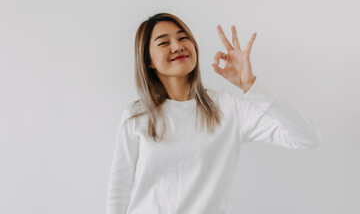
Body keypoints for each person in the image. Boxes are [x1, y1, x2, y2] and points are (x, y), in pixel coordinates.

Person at [105, 13, 321, 214]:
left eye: (183, 38)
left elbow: (306, 137)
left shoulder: (228, 108)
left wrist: (251, 86)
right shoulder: (136, 115)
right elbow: (119, 189)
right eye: (163, 42)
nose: (177, 46)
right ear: (148, 61)